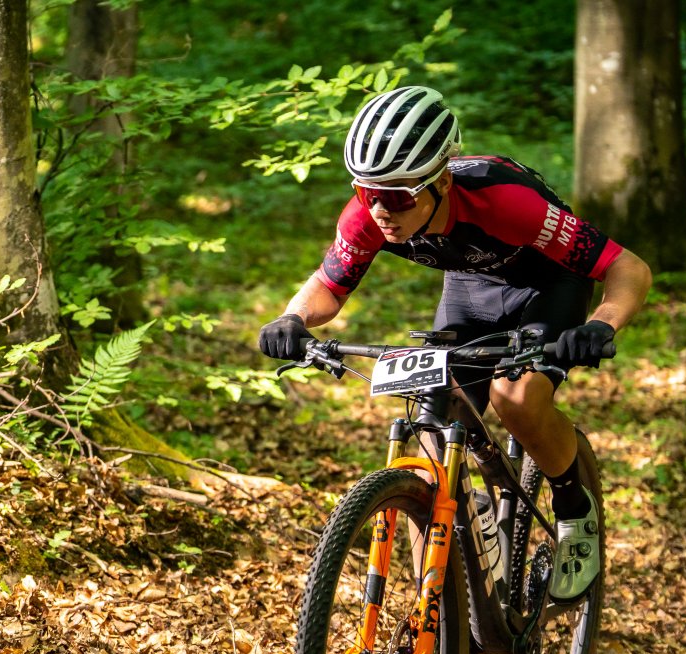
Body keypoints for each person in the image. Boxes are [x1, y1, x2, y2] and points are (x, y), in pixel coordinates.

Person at [258, 86, 652, 603]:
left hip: (548, 285)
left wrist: (601, 324)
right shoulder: (369, 215)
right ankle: (434, 625)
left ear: (441, 182)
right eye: (367, 193)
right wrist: (291, 318)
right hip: (470, 289)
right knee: (430, 431)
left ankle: (574, 508)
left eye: (398, 196)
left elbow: (627, 267)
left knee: (516, 397)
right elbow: (329, 287)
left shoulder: (506, 203)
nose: (380, 210)